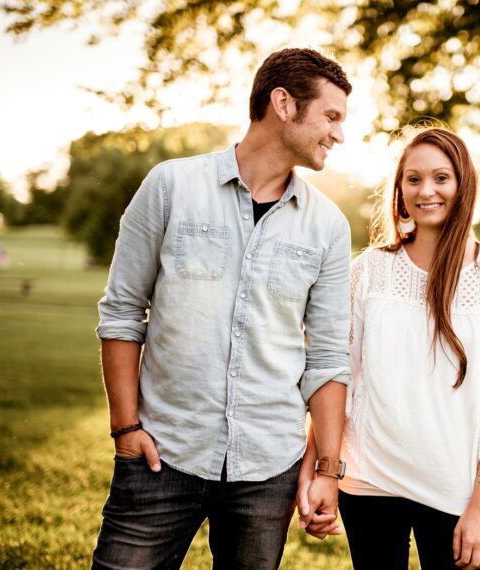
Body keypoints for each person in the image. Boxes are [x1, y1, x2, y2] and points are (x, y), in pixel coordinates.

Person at [92, 47, 353, 570]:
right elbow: (122, 313)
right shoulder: (171, 186)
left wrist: (327, 469)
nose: (338, 134)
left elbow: (327, 356)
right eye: (330, 116)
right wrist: (125, 430)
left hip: (268, 470)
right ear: (284, 104)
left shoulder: (328, 226)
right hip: (161, 454)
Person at [298, 127, 480, 569]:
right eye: (414, 179)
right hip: (369, 481)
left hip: (454, 490)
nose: (427, 191)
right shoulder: (369, 270)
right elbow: (340, 378)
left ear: (463, 185)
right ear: (400, 190)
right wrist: (323, 471)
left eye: (441, 178)